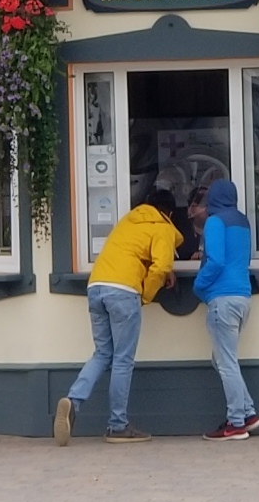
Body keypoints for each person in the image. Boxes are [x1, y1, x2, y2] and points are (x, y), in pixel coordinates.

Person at [57, 187, 181, 445]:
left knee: (102, 353)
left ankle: (73, 400)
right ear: (169, 212)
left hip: (96, 286)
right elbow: (160, 266)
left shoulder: (128, 222)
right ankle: (117, 426)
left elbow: (136, 255)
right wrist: (145, 295)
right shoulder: (163, 227)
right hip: (124, 291)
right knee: (123, 360)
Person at [193, 177, 259, 441]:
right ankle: (248, 413)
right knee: (223, 360)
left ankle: (235, 423)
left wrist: (199, 286)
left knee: (226, 364)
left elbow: (215, 261)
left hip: (222, 299)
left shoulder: (215, 221)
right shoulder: (243, 221)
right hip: (243, 297)